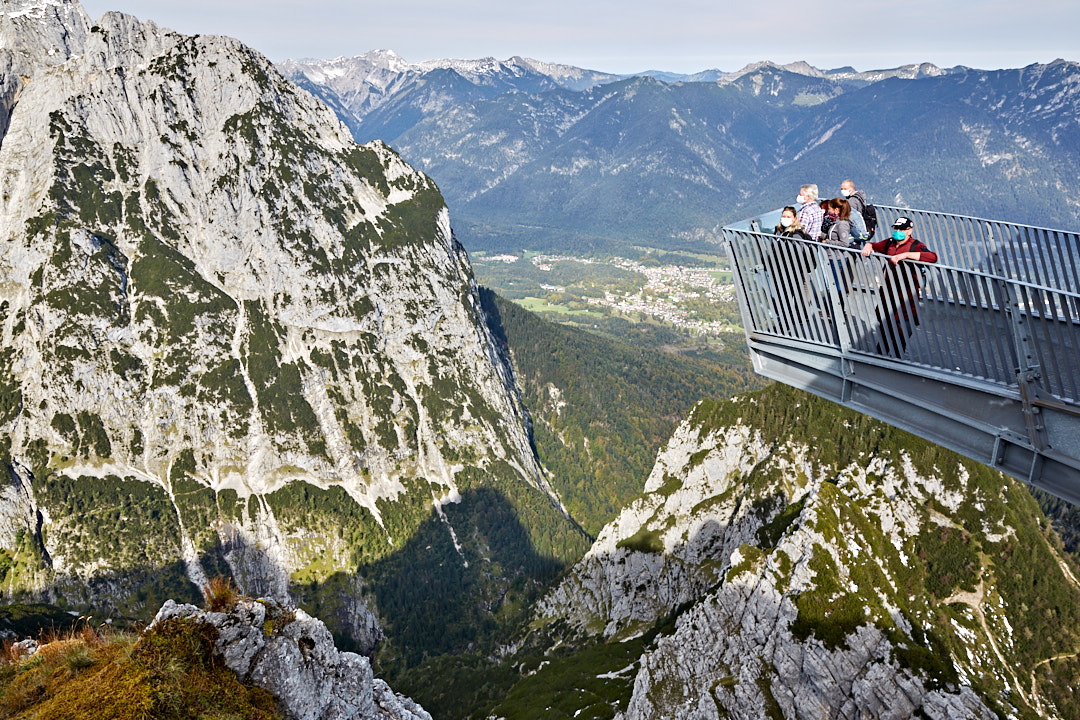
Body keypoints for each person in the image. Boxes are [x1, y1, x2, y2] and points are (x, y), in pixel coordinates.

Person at [860, 217, 938, 357]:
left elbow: (932, 257)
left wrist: (905, 255)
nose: (898, 231)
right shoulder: (889, 243)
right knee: (884, 326)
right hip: (888, 293)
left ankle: (895, 359)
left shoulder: (915, 245)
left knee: (900, 330)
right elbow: (874, 245)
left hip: (906, 295)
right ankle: (881, 358)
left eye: (901, 229)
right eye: (896, 228)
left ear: (909, 231)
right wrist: (868, 246)